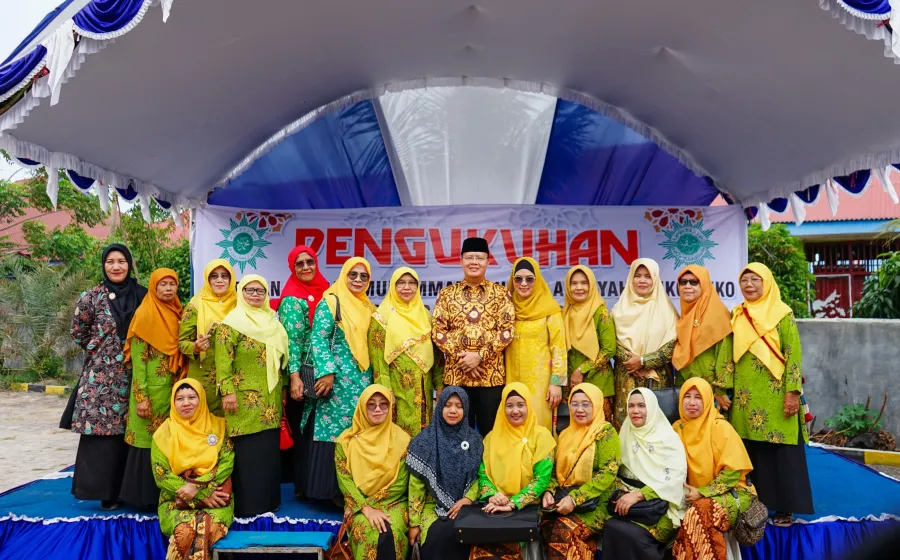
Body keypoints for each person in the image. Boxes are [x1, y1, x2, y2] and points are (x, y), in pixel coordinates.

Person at [730, 263, 813, 526]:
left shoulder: (782, 313)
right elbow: (729, 355)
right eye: (744, 280)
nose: (749, 285)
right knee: (755, 453)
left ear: (767, 282)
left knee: (782, 453)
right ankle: (757, 505)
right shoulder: (738, 314)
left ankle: (786, 508)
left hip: (776, 396)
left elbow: (793, 355)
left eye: (755, 279)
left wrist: (792, 392)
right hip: (746, 397)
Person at [70, 243, 148, 510]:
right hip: (102, 378)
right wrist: (101, 350)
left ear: (129, 264)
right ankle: (106, 493)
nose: (116, 267)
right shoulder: (91, 297)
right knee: (104, 434)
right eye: (110, 262)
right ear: (103, 265)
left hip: (137, 373)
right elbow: (78, 332)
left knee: (133, 431)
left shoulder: (143, 295)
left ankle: (131, 491)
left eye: (121, 261)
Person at [301, 257, 376, 502]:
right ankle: (327, 491)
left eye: (363, 276)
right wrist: (327, 371)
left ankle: (351, 491)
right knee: (332, 431)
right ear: (344, 276)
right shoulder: (331, 302)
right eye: (353, 274)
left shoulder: (368, 307)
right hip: (336, 381)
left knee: (356, 431)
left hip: (362, 381)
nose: (357, 280)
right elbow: (318, 338)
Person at [215, 274, 289, 517]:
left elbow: (281, 364)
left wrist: (284, 390)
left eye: (260, 290)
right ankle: (248, 506)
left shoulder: (274, 325)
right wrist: (227, 392)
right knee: (247, 453)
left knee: (267, 452)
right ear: (241, 293)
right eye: (250, 290)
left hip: (270, 400)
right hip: (242, 400)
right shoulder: (231, 324)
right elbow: (223, 362)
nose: (255, 295)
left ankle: (268, 502)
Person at [432, 237, 515, 434]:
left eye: (479, 258)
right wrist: (463, 358)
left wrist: (479, 356)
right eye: (469, 257)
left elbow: (507, 331)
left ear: (488, 261)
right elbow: (438, 331)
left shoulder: (501, 294)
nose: (474, 262)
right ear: (461, 261)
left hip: (491, 377)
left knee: (491, 434)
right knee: (456, 435)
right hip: (456, 376)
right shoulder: (447, 294)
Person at [121, 268, 185, 509]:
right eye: (163, 284)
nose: (168, 289)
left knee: (166, 443)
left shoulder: (177, 312)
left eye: (172, 284)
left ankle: (163, 494)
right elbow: (138, 363)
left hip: (171, 392)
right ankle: (141, 498)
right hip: (149, 394)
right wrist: (141, 397)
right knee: (145, 444)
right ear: (153, 287)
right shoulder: (145, 315)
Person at [672, 378, 756, 560]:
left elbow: (732, 473)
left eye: (698, 397)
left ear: (708, 400)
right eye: (687, 396)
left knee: (700, 514)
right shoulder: (677, 429)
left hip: (733, 492)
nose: (692, 402)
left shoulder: (719, 427)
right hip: (692, 495)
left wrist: (703, 492)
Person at [471, 382, 556, 560]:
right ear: (502, 408)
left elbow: (541, 479)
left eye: (520, 405)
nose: (515, 411)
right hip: (495, 507)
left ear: (528, 406)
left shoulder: (541, 436)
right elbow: (483, 473)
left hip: (527, 508)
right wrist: (493, 495)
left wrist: (514, 503)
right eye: (509, 406)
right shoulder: (491, 438)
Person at [152, 378, 233, 560]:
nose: (186, 403)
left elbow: (227, 464)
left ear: (201, 399)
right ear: (173, 402)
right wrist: (199, 495)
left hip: (216, 499)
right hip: (175, 500)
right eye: (180, 399)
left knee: (209, 530)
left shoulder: (218, 426)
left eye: (192, 397)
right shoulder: (164, 433)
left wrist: (198, 487)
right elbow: (161, 475)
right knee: (185, 532)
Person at [602, 388, 688, 560]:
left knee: (631, 533)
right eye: (631, 406)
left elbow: (674, 480)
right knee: (611, 526)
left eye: (641, 406)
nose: (635, 411)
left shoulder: (668, 438)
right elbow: (618, 472)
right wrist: (623, 492)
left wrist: (639, 495)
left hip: (662, 508)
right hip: (629, 504)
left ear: (652, 408)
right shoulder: (626, 432)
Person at [541, 384, 620, 560]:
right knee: (545, 525)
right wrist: (549, 491)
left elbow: (608, 473)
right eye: (574, 404)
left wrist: (575, 499)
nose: (579, 409)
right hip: (564, 499)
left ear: (596, 405)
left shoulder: (606, 433)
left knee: (562, 529)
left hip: (596, 503)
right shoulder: (565, 434)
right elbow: (555, 471)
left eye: (586, 404)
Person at [335, 384, 411, 560]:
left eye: (383, 404)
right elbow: (345, 481)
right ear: (362, 407)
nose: (378, 409)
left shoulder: (402, 440)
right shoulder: (345, 443)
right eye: (371, 405)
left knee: (392, 530)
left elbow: (401, 483)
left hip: (394, 502)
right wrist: (365, 508)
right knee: (365, 529)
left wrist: (370, 506)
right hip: (359, 505)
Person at [277, 245, 330, 495]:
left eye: (310, 262)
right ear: (292, 267)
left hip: (325, 371)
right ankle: (306, 487)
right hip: (305, 373)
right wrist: (295, 377)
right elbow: (292, 341)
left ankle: (319, 484)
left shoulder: (326, 290)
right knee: (305, 428)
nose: (306, 267)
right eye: (300, 263)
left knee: (321, 428)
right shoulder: (292, 298)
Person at [407, 387, 483, 560]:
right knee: (438, 534)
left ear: (466, 409)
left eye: (459, 406)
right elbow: (415, 486)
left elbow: (481, 476)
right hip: (431, 506)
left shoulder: (475, 441)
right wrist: (414, 523)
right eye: (448, 405)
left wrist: (468, 499)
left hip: (467, 505)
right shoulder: (425, 440)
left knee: (464, 532)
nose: (453, 410)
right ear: (440, 406)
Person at [370, 267, 445, 437]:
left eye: (412, 283)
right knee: (398, 435)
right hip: (396, 388)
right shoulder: (381, 318)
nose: (406, 287)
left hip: (424, 389)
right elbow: (378, 359)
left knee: (423, 433)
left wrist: (439, 385)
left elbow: (437, 356)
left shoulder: (426, 317)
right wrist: (385, 390)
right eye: (401, 283)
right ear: (393, 286)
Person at [611, 258, 679, 427]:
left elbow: (671, 346)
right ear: (630, 278)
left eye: (648, 276)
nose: (642, 280)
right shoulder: (618, 310)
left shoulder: (667, 310)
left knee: (654, 425)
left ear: (655, 279)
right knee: (626, 426)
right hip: (626, 376)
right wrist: (632, 363)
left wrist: (643, 361)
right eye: (638, 275)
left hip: (657, 379)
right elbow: (612, 343)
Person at [505, 257, 567, 432]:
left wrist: (557, 383)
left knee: (538, 425)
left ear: (537, 280)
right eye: (518, 279)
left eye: (529, 279)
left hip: (541, 384)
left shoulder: (550, 310)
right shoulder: (506, 308)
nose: (523, 284)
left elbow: (559, 349)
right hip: (511, 378)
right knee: (513, 425)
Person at [179, 259, 237, 415]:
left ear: (231, 279)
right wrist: (195, 347)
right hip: (204, 375)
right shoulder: (195, 306)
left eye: (224, 276)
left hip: (233, 376)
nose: (219, 280)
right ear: (207, 279)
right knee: (203, 420)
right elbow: (182, 342)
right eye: (214, 276)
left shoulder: (239, 305)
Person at [673, 266, 734, 412]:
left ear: (704, 285)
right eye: (683, 282)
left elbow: (725, 354)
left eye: (694, 282)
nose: (687, 286)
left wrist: (720, 390)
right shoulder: (683, 317)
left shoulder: (718, 314)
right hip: (687, 392)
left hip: (713, 395)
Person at [562, 265, 617, 420]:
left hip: (598, 385)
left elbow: (609, 350)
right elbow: (560, 354)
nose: (579, 287)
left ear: (591, 285)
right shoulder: (564, 314)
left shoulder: (601, 313)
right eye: (574, 283)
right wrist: (559, 384)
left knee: (599, 430)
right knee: (574, 431)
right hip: (571, 389)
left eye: (584, 283)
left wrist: (581, 370)